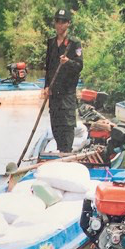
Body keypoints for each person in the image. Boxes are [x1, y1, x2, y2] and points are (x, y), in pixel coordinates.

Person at [43, 8, 83, 153]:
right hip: (54, 95)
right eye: (57, 22)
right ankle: (59, 153)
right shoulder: (51, 43)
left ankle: (66, 155)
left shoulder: (74, 44)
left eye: (63, 22)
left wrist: (68, 62)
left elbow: (79, 66)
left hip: (67, 95)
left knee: (67, 128)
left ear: (68, 24)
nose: (60, 25)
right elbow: (48, 68)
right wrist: (46, 87)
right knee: (56, 127)